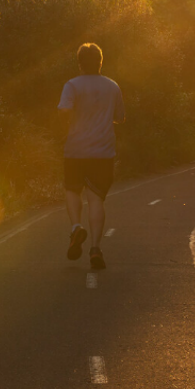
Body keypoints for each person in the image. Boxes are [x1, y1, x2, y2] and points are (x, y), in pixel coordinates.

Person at [58, 43, 125, 269]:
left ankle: (76, 228)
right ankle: (96, 248)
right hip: (103, 151)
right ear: (100, 61)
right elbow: (120, 117)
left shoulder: (72, 85)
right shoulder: (112, 86)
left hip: (75, 149)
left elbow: (63, 111)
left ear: (79, 63)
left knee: (72, 190)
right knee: (96, 198)